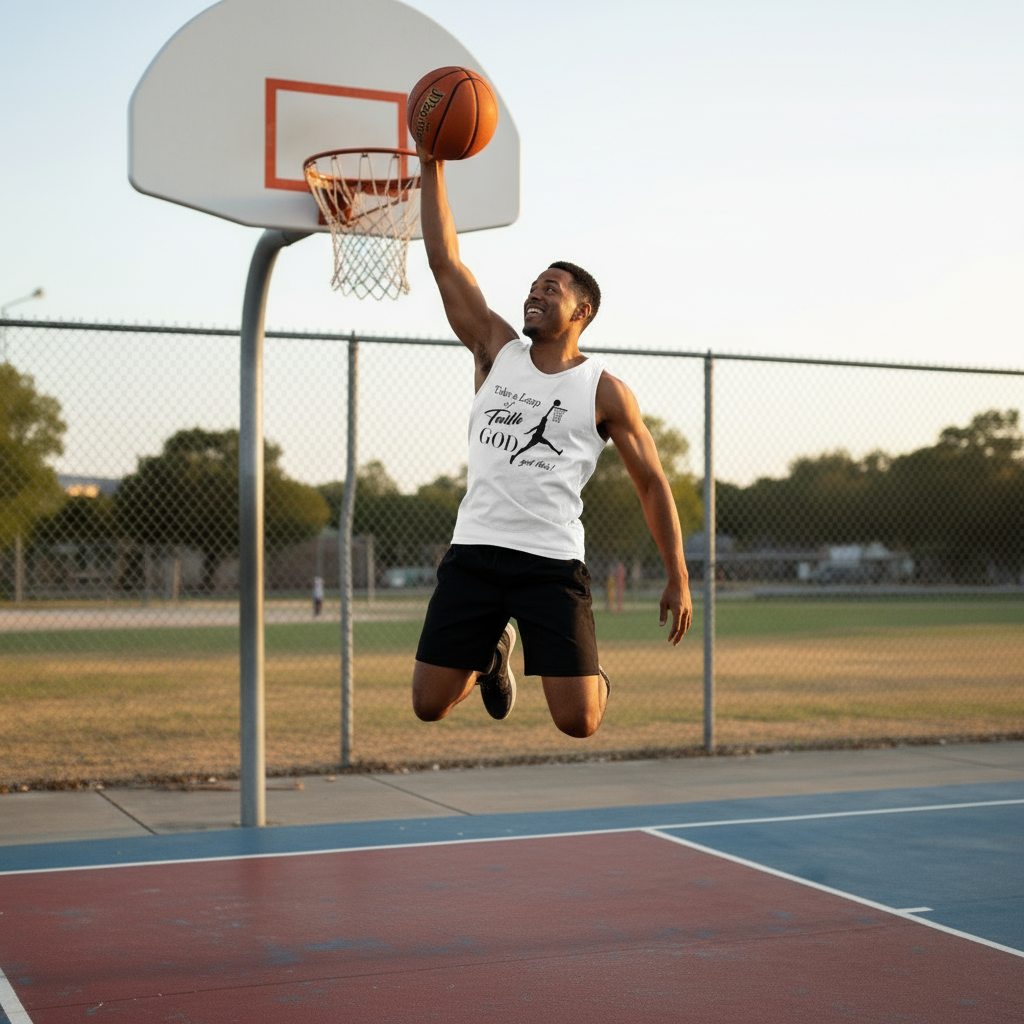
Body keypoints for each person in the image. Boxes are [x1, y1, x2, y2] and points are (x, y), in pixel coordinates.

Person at [411, 146, 692, 739]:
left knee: (578, 721)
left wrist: (678, 574)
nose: (534, 294)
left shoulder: (604, 390)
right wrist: (431, 163)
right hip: (475, 550)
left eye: (551, 288)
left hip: (550, 561)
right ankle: (493, 656)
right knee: (429, 704)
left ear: (581, 310)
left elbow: (651, 482)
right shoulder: (496, 350)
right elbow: (444, 262)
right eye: (533, 286)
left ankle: (588, 677)